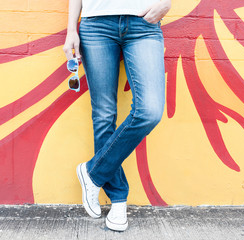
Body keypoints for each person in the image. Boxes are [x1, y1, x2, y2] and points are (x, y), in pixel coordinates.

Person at [63, 0, 171, 232]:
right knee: (104, 114)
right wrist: (72, 29)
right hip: (96, 24)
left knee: (150, 111)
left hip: (144, 23)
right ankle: (118, 201)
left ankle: (93, 172)